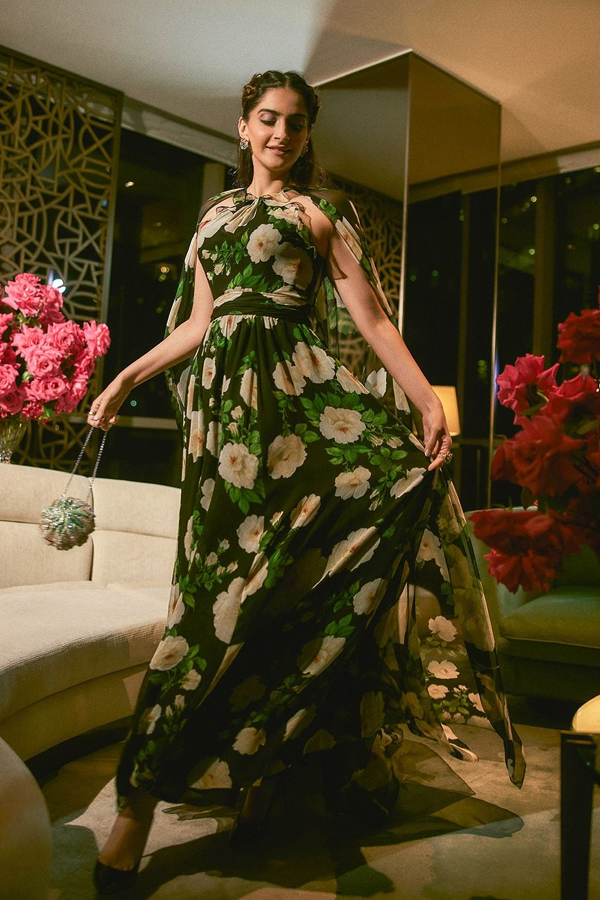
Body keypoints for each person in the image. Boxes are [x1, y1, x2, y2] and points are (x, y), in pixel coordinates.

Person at [88, 69, 525, 894]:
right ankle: (138, 809)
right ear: (243, 126)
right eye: (267, 118)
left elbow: (373, 319)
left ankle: (255, 772)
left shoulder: (318, 215)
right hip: (225, 435)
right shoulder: (213, 218)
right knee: (208, 608)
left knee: (286, 587)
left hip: (299, 411)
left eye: (295, 122)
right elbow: (197, 324)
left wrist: (425, 400)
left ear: (307, 134)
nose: (280, 134)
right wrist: (125, 379)